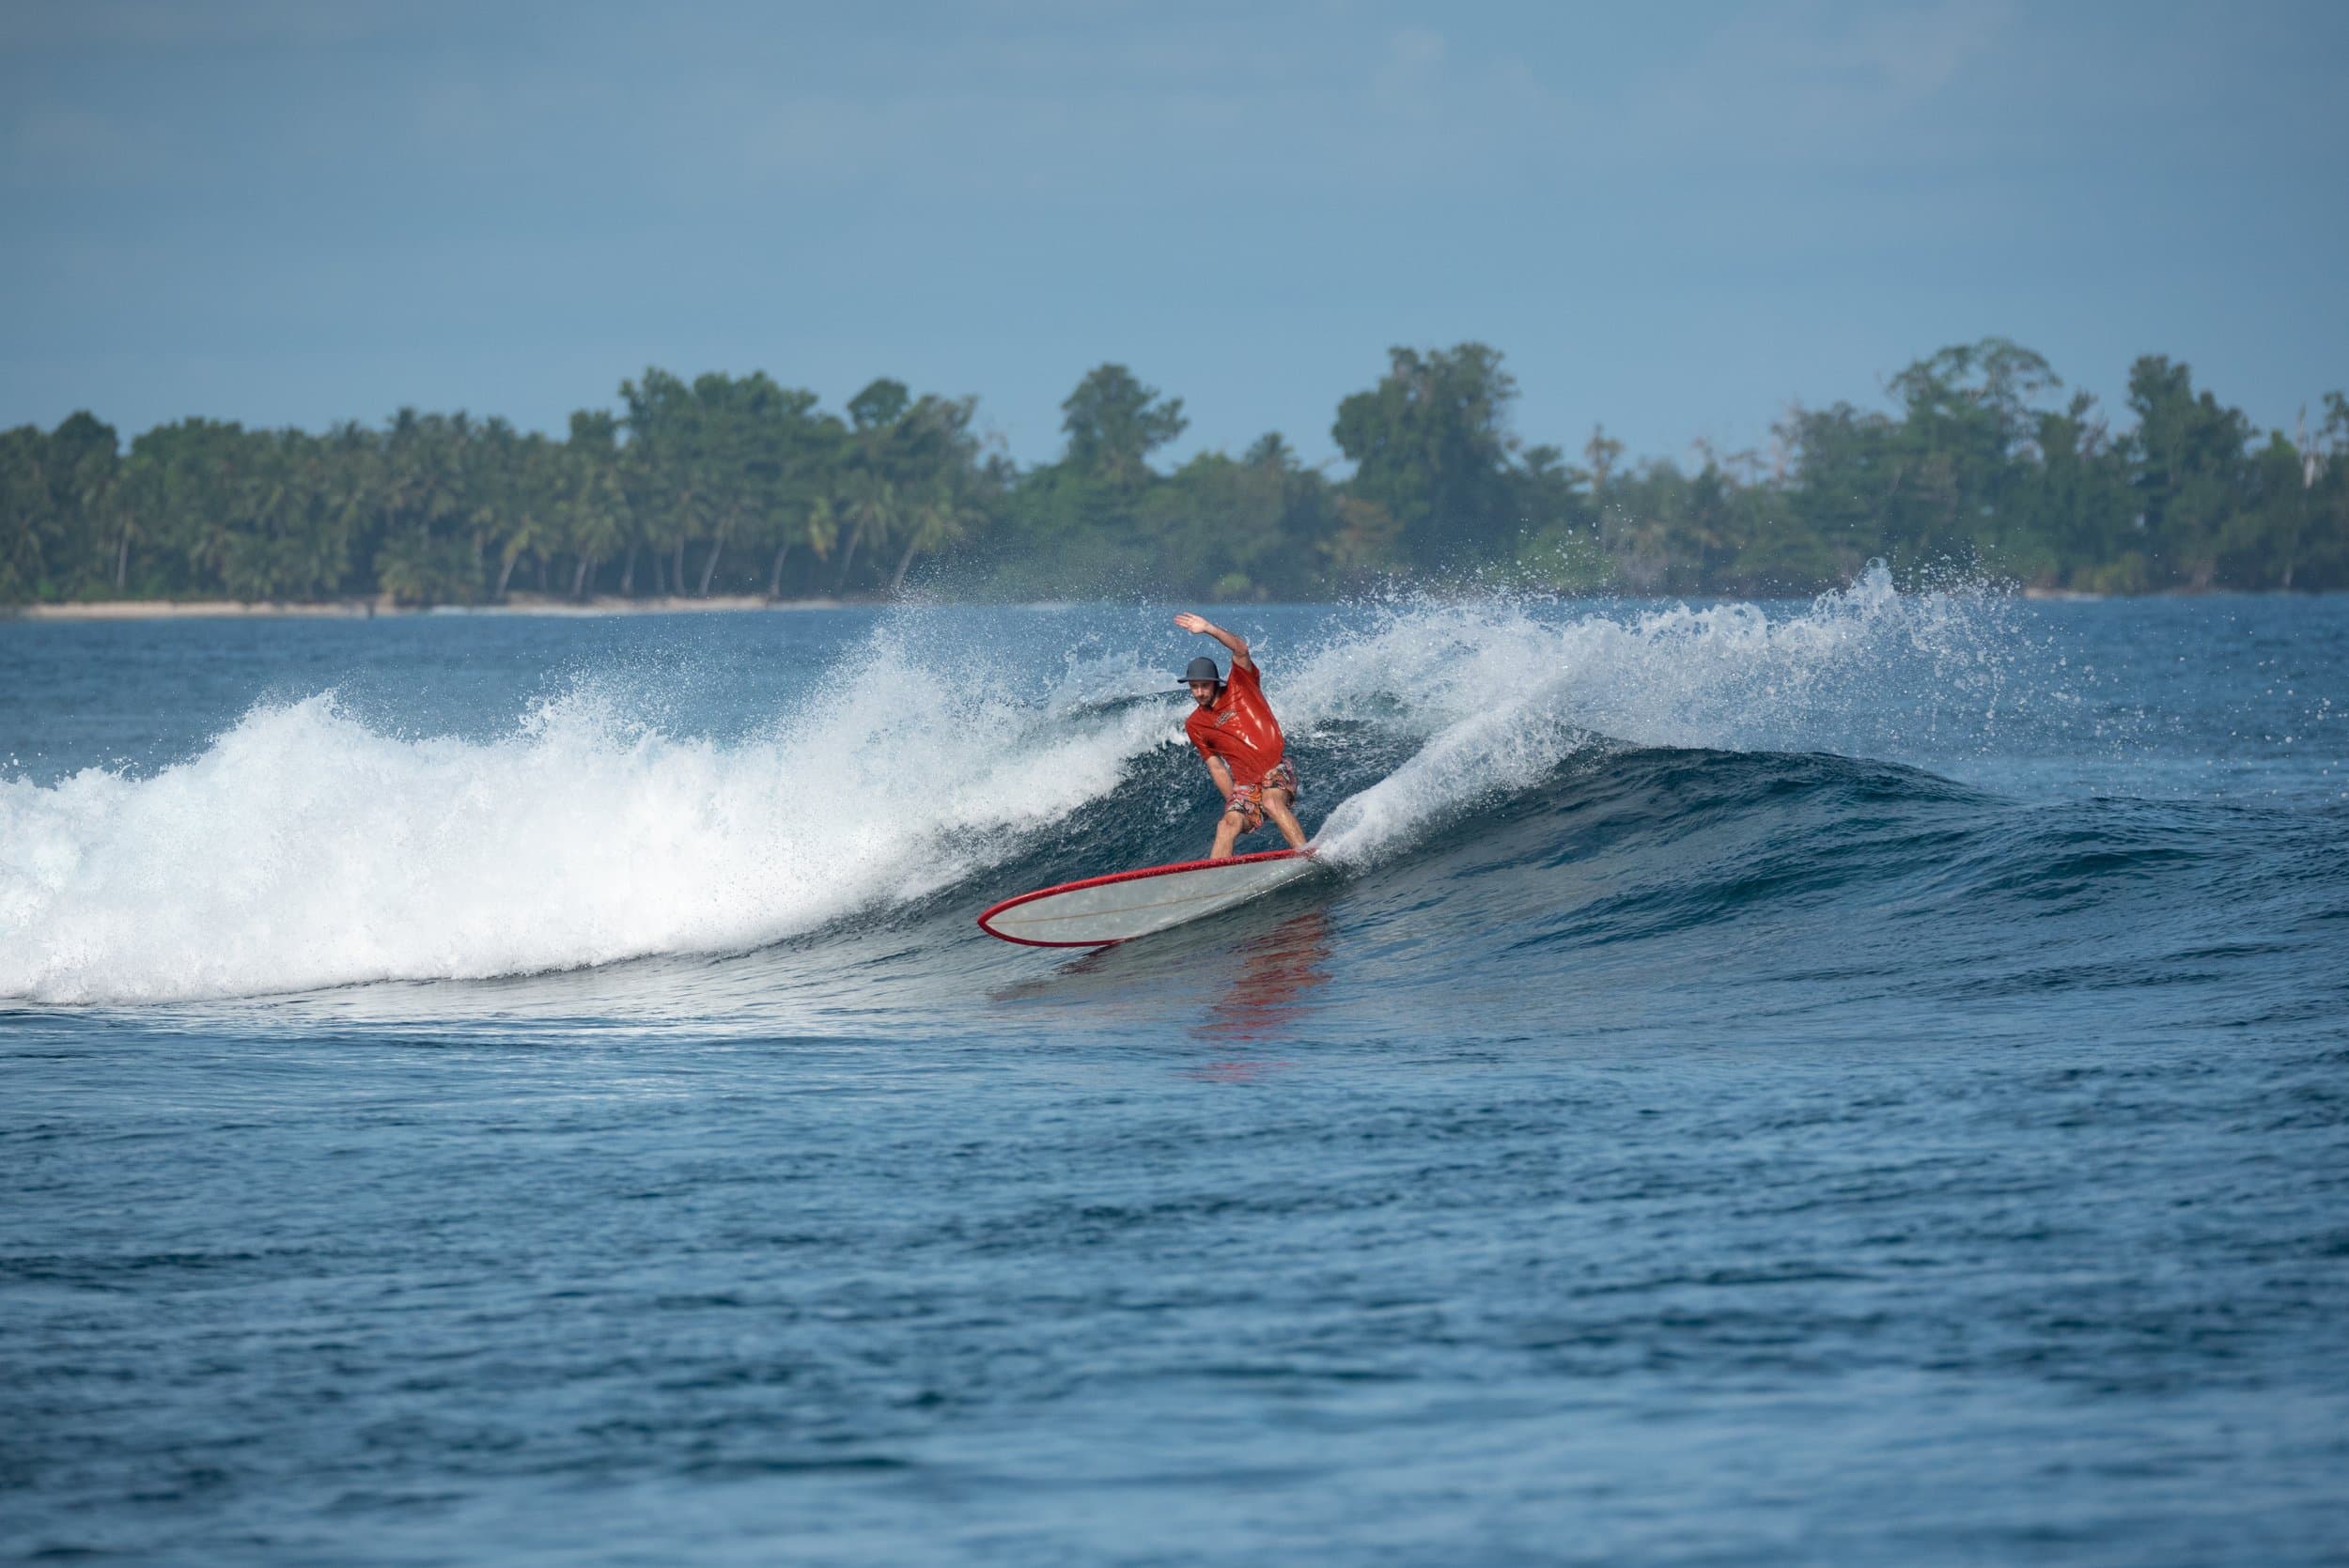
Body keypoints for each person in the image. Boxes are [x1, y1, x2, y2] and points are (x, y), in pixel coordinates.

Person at [1174, 612, 1308, 859]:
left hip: (1275, 768)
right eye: (1194, 687)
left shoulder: (1241, 685)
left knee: (1271, 802)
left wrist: (1209, 629)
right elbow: (1216, 768)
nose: (1200, 692)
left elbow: (1241, 649)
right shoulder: (1195, 724)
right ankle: (1214, 882)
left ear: (1215, 682)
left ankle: (1306, 856)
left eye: (1204, 685)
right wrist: (1234, 802)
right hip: (1246, 786)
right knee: (1226, 825)